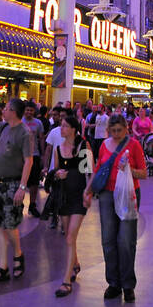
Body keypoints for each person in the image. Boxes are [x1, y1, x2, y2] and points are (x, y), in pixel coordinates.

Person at [86, 113, 146, 301]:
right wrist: (88, 190)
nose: (117, 134)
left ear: (126, 129)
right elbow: (98, 169)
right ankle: (113, 282)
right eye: (113, 131)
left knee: (126, 241)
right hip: (106, 195)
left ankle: (128, 284)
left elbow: (143, 173)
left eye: (120, 130)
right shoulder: (104, 145)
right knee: (108, 239)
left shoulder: (134, 145)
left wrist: (129, 170)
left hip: (128, 195)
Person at [0, 98, 35, 284]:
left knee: (10, 225)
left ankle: (18, 254)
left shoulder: (24, 133)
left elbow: (29, 160)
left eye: (5, 108)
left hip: (12, 184)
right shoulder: (3, 128)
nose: (3, 110)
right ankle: (2, 267)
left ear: (13, 111)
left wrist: (22, 187)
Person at [52, 113, 93, 296]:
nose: (62, 129)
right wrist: (57, 174)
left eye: (65, 126)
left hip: (78, 196)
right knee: (68, 235)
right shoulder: (58, 149)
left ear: (74, 129)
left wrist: (88, 192)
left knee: (70, 237)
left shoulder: (83, 146)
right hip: (64, 196)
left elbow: (89, 172)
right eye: (61, 125)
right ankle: (75, 264)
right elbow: (54, 171)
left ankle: (66, 280)